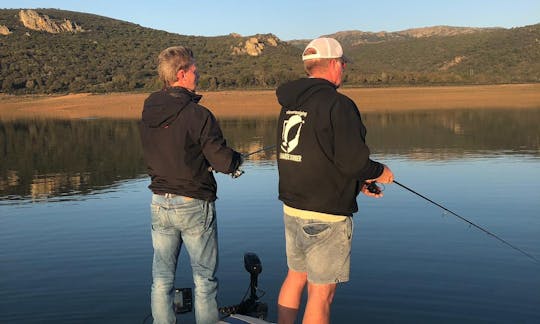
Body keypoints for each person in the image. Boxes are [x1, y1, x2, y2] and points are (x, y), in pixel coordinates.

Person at [275, 37, 394, 324]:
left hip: (292, 208)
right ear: (331, 65)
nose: (343, 69)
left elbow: (318, 154)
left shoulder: (289, 103)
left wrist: (358, 182)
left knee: (295, 277)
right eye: (342, 63)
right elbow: (353, 161)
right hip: (326, 215)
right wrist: (379, 172)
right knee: (321, 295)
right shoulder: (338, 105)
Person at [139, 46, 243, 324]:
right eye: (195, 71)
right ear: (182, 74)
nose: (199, 75)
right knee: (204, 280)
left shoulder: (148, 111)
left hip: (159, 202)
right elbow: (222, 162)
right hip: (194, 203)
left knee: (161, 279)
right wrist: (236, 160)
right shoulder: (199, 115)